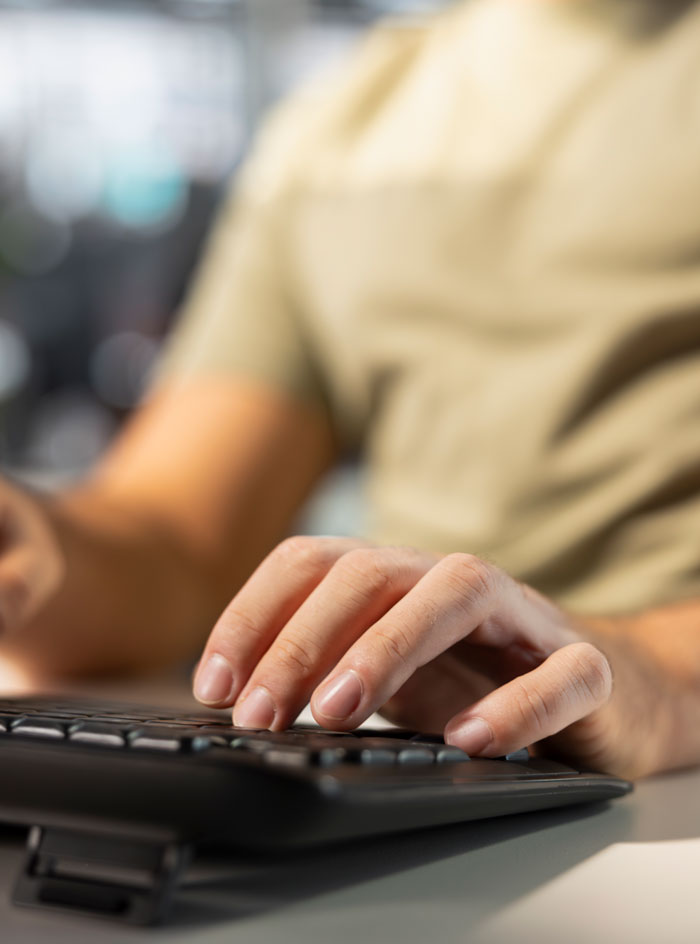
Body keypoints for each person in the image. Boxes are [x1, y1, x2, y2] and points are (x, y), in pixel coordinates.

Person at [1, 0, 700, 781]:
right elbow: (179, 541)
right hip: (426, 763)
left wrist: (660, 681)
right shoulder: (339, 125)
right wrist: (35, 554)